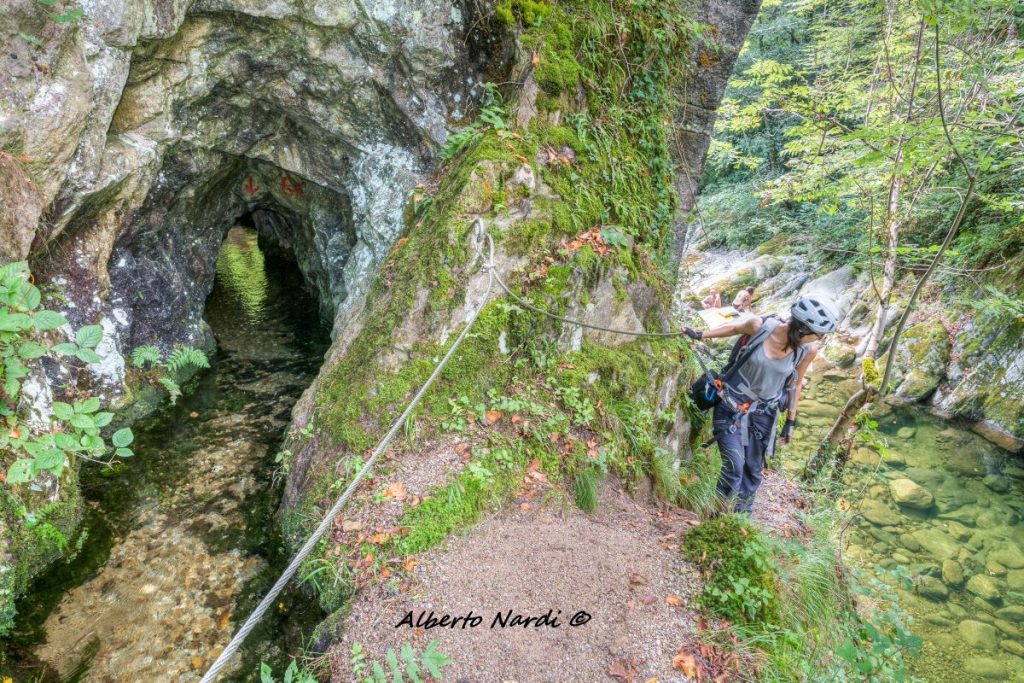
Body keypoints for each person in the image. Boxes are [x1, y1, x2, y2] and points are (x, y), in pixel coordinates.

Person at [682, 295, 840, 514]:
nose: (820, 339)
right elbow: (733, 328)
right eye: (818, 334)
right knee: (735, 468)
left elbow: (795, 384)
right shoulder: (761, 326)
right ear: (802, 330)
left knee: (752, 472)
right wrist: (699, 334)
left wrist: (791, 420)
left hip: (763, 417)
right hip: (730, 406)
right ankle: (716, 519)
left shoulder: (808, 350)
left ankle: (740, 518)